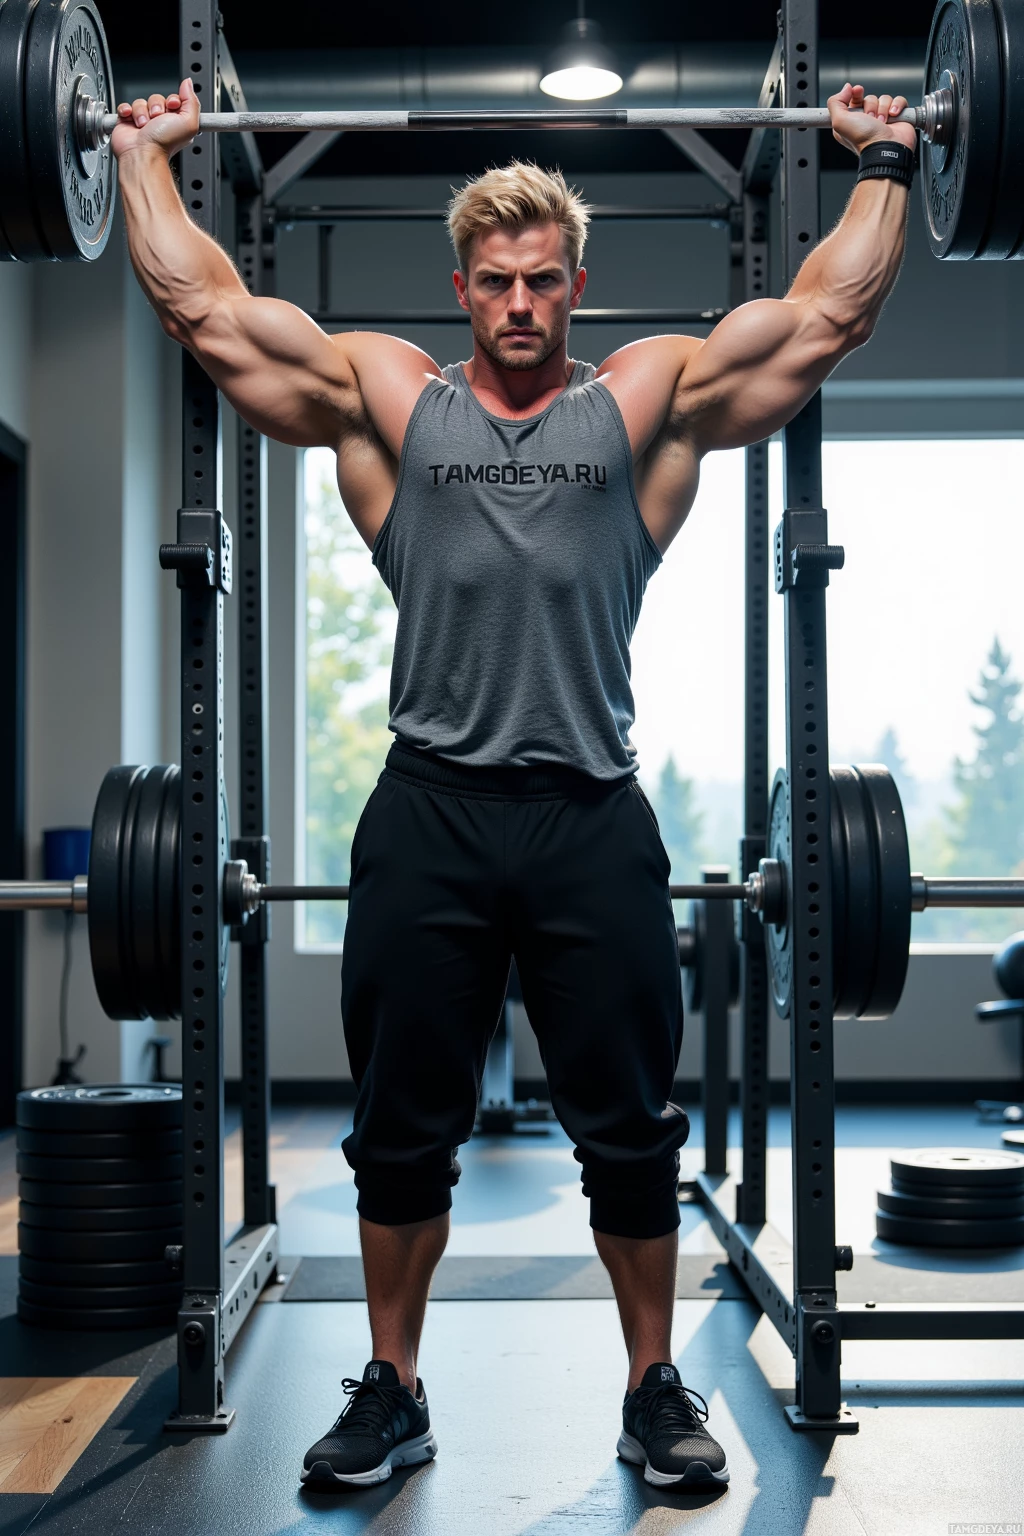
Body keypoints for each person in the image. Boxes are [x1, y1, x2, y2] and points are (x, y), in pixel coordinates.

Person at [112, 79, 914, 1490]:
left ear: (577, 285)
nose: (522, 303)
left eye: (544, 280)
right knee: (398, 1131)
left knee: (631, 1130)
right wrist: (138, 157)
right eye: (496, 282)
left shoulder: (645, 402)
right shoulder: (390, 401)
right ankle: (395, 1387)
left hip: (592, 814)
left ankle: (652, 1387)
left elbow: (823, 319)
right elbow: (209, 312)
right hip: (428, 810)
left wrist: (890, 160)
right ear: (462, 288)